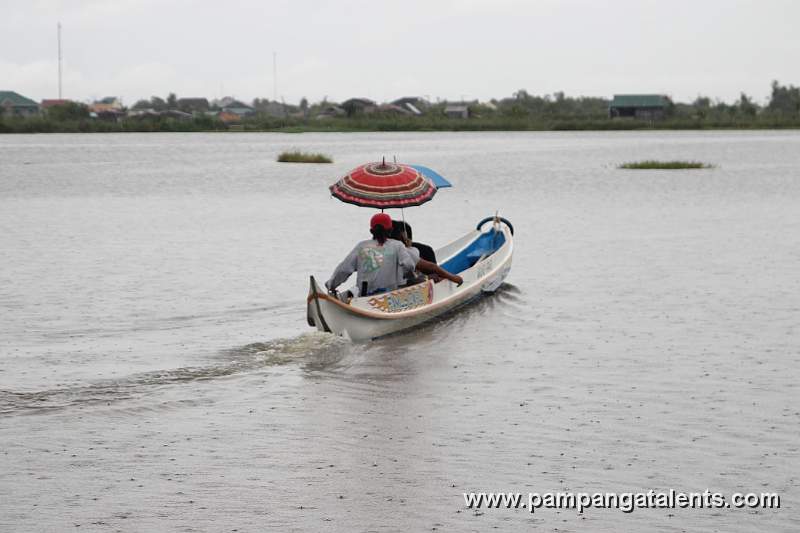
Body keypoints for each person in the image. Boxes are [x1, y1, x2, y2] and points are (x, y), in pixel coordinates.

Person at [326, 213, 462, 298]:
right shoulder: (398, 246)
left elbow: (344, 269)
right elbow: (409, 265)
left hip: (364, 296)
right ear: (390, 230)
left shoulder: (361, 246)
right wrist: (412, 278)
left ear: (371, 230)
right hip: (390, 297)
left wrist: (331, 286)